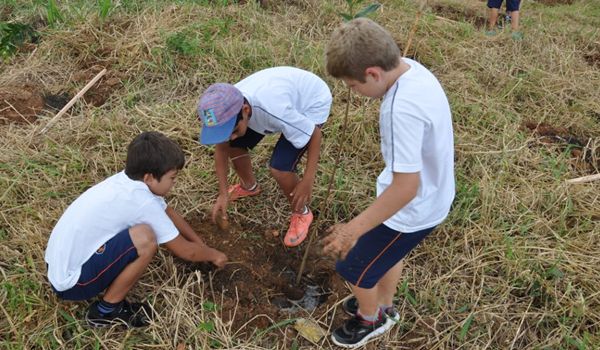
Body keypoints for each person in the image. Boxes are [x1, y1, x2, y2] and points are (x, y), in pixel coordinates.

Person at [322, 18, 455, 348]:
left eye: (353, 86)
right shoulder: (413, 69)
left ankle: (372, 319)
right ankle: (384, 303)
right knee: (385, 257)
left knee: (353, 266)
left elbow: (405, 187)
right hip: (434, 196)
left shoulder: (399, 109)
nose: (353, 93)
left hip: (411, 208)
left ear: (373, 74)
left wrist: (353, 229)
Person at [45, 131, 228, 328]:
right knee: (145, 238)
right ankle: (106, 312)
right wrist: (215, 254)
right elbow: (186, 251)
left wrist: (200, 244)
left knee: (142, 233)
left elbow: (167, 211)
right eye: (172, 178)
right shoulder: (141, 202)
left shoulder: (127, 181)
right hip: (73, 283)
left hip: (57, 263)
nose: (174, 183)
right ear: (149, 177)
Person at [197, 67, 332, 247]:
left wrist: (307, 180)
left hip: (310, 103)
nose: (231, 136)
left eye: (234, 130)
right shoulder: (226, 108)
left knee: (280, 167)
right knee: (234, 145)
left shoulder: (274, 110)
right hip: (280, 98)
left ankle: (302, 212)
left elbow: (314, 134)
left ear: (245, 110)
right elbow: (222, 149)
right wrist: (223, 194)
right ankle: (249, 186)